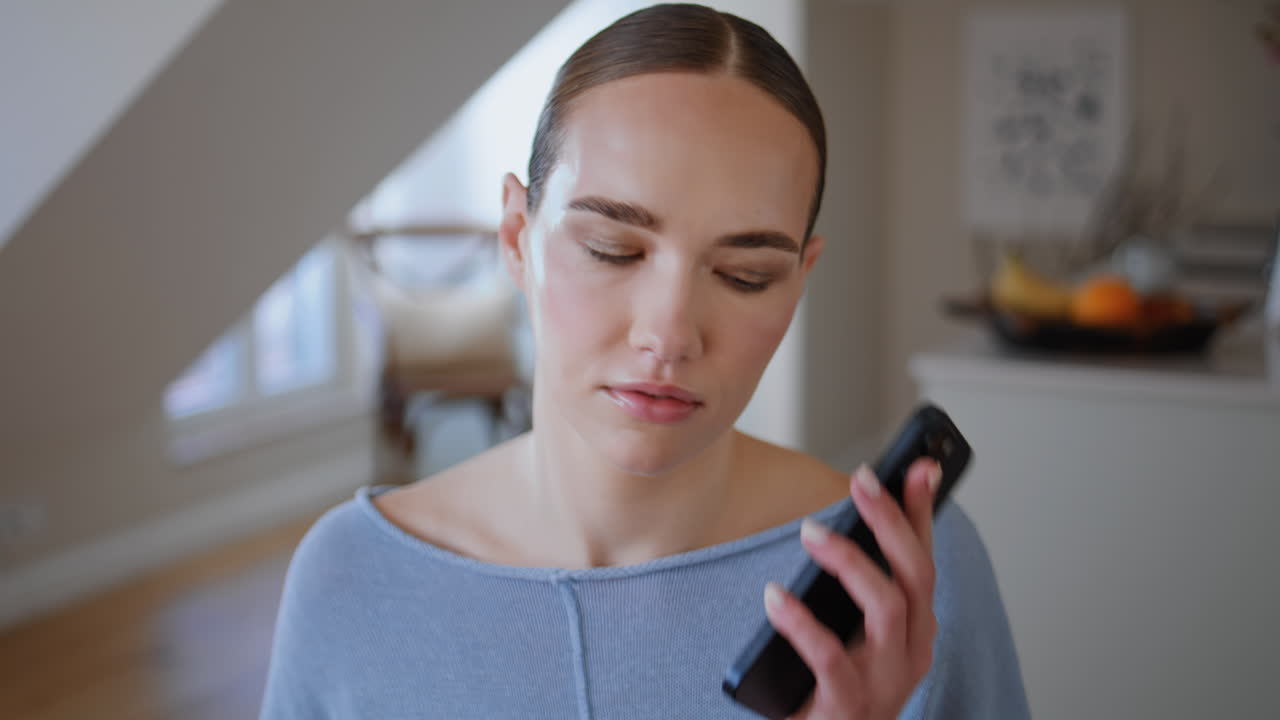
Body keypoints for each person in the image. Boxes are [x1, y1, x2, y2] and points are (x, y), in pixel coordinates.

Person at [260, 4, 1029, 718]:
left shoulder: (905, 577)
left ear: (798, 281)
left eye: (744, 275)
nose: (669, 336)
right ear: (516, 240)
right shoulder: (351, 580)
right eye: (612, 250)